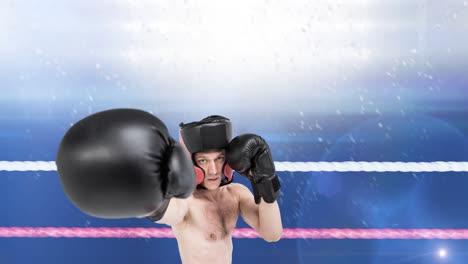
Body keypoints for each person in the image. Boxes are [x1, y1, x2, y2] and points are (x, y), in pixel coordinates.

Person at [56, 109, 282, 264]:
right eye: (204, 160)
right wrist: (147, 192)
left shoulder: (237, 194)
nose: (213, 170)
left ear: (230, 159)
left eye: (219, 159)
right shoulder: (186, 204)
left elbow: (272, 234)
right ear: (191, 162)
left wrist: (264, 178)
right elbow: (166, 211)